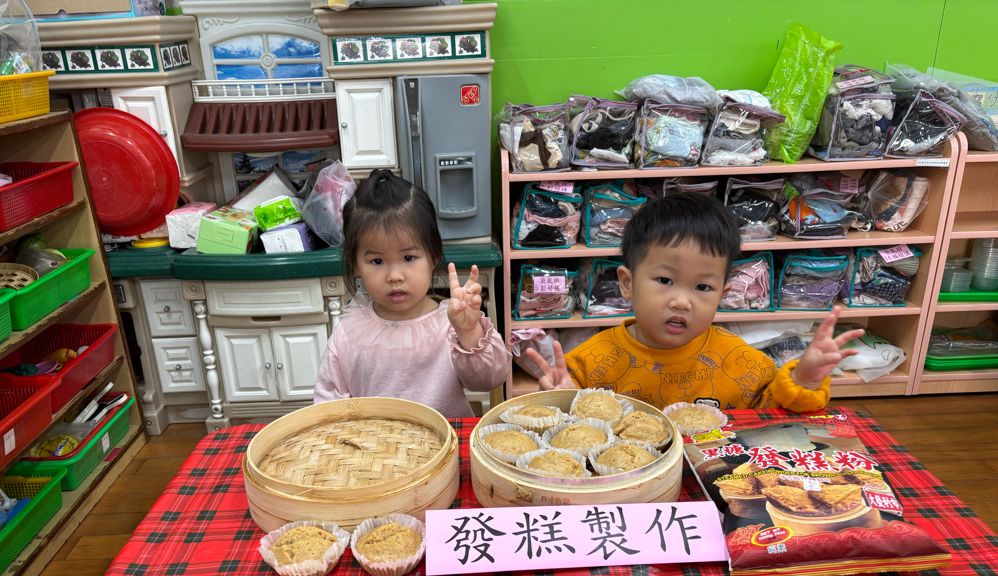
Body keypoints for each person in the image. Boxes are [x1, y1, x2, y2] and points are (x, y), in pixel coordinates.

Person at [527, 192, 864, 411]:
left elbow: (772, 414)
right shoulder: (590, 362)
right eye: (664, 280)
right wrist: (560, 399)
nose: (682, 302)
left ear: (723, 295)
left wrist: (804, 381)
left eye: (703, 287)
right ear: (627, 284)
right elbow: (568, 428)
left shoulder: (740, 361)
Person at [312, 169, 510, 418]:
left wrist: (469, 333)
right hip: (378, 443)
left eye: (408, 258)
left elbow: (489, 380)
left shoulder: (451, 324)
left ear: (433, 255)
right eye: (377, 261)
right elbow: (328, 407)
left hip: (447, 440)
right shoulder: (348, 334)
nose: (395, 276)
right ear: (355, 264)